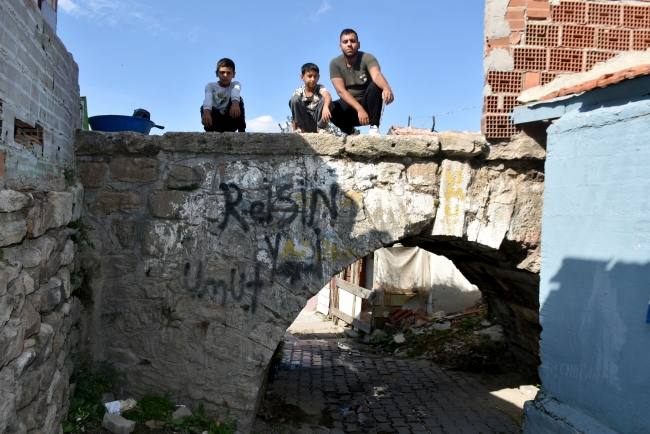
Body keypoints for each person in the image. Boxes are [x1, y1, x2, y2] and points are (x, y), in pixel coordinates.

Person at [329, 29, 394, 136]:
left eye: (352, 41)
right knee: (330, 107)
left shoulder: (368, 58)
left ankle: (374, 127)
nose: (349, 44)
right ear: (340, 46)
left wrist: (387, 88)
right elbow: (341, 91)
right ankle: (351, 132)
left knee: (375, 85)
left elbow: (376, 74)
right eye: (345, 42)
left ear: (358, 44)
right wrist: (359, 109)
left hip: (369, 107)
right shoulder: (335, 63)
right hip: (350, 109)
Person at [201, 58, 246, 132]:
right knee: (204, 107)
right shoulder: (210, 86)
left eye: (229, 73)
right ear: (216, 73)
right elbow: (208, 99)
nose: (225, 75)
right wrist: (206, 112)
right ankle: (209, 134)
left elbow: (235, 91)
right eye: (222, 72)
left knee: (239, 100)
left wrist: (235, 103)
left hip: (230, 121)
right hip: (216, 122)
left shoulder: (235, 84)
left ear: (234, 74)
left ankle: (242, 132)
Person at [288, 63, 333, 134]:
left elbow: (327, 96)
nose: (313, 79)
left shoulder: (320, 88)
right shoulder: (299, 91)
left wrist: (326, 107)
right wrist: (294, 130)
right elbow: (295, 112)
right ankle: (301, 129)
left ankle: (320, 128)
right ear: (302, 77)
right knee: (294, 99)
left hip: (317, 120)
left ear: (319, 77)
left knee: (328, 100)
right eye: (309, 76)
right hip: (305, 122)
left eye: (315, 76)